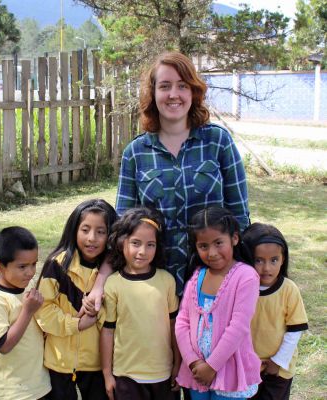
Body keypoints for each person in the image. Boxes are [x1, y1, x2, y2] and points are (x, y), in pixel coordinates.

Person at [116, 51, 250, 296]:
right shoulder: (135, 153)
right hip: (155, 283)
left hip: (214, 279)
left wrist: (240, 274)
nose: (173, 94)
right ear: (153, 93)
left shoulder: (218, 142)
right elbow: (123, 227)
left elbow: (239, 216)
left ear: (193, 92)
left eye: (182, 86)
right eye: (165, 86)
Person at [35, 199, 117, 400]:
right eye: (85, 229)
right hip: (59, 361)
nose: (92, 238)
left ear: (111, 235)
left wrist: (97, 309)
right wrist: (76, 324)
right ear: (74, 230)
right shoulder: (57, 265)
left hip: (97, 362)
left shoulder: (115, 272)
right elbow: (43, 310)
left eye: (101, 231)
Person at [175, 206, 261, 399]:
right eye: (204, 246)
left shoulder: (246, 277)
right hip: (197, 373)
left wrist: (212, 365)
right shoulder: (197, 276)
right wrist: (193, 363)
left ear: (235, 239)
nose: (212, 253)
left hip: (229, 371)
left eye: (218, 243)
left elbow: (238, 326)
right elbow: (182, 322)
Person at [100, 206, 180, 400]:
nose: (142, 251)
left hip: (163, 374)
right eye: (135, 243)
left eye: (150, 245)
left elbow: (174, 326)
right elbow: (108, 330)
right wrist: (107, 373)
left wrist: (178, 364)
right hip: (126, 377)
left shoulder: (167, 280)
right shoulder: (113, 284)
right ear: (121, 243)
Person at [0, 226, 51, 400]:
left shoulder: (28, 285)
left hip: (41, 382)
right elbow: (4, 345)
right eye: (22, 266)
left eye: (34, 264)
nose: (31, 272)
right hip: (17, 392)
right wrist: (27, 311)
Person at [242, 223, 308, 400]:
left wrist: (277, 362)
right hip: (247, 366)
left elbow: (295, 331)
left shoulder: (289, 290)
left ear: (283, 259)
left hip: (278, 369)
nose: (267, 268)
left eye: (274, 260)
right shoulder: (242, 289)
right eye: (259, 260)